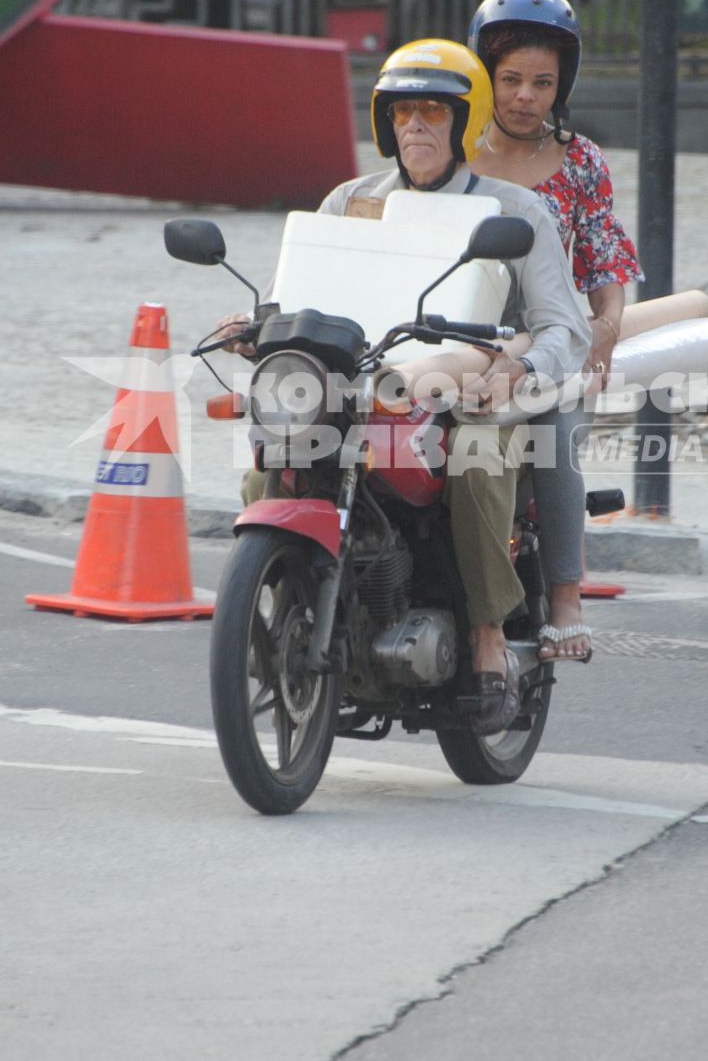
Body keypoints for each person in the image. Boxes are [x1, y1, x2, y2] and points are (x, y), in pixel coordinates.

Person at [214, 39, 589, 732]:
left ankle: (484, 639)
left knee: (476, 469)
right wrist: (257, 324)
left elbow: (567, 328)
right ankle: (289, 611)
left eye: (434, 112)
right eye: (404, 112)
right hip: (362, 385)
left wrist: (521, 367)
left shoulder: (514, 213)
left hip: (473, 390)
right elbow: (301, 296)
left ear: (464, 119)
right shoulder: (349, 201)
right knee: (266, 468)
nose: (416, 126)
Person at [466, 0, 644, 665]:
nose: (523, 97)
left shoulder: (581, 162)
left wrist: (607, 323)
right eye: (509, 79)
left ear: (561, 84)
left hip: (551, 336)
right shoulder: (455, 155)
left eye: (542, 82)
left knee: (553, 433)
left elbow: (605, 255)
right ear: (485, 78)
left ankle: (566, 596)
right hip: (459, 339)